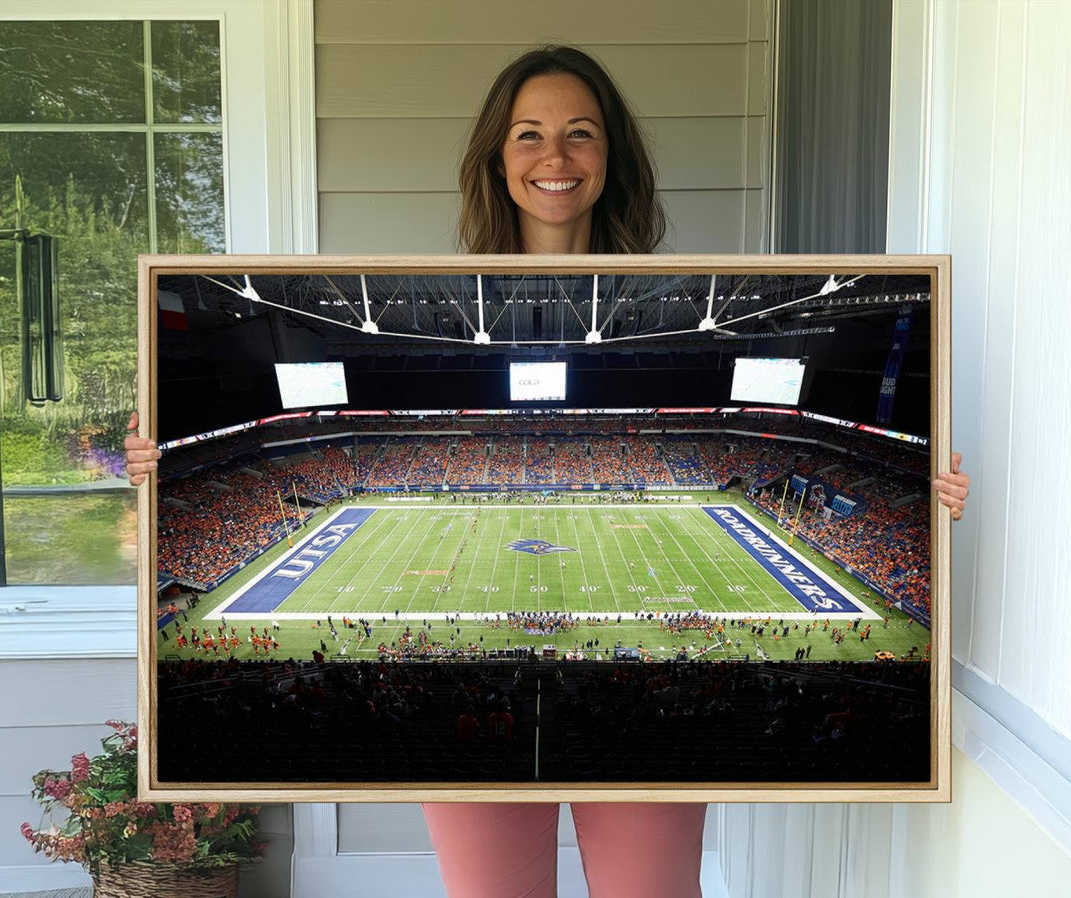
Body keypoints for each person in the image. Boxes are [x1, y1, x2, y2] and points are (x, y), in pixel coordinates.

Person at [125, 43, 971, 898]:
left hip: (633, 714)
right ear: (497, 157)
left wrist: (927, 492)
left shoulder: (693, 295)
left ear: (612, 158)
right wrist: (155, 463)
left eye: (580, 133)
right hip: (475, 728)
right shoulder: (429, 289)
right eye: (528, 134)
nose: (554, 157)